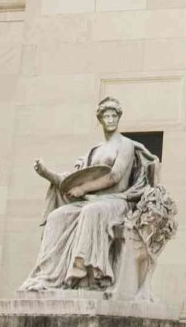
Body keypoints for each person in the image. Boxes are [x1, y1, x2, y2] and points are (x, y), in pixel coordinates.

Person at [20, 96, 167, 296]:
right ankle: (47, 276)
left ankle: (86, 274)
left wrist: (84, 189)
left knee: (92, 212)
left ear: (118, 118)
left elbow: (114, 176)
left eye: (114, 115)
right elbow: (72, 180)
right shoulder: (94, 150)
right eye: (106, 116)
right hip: (91, 200)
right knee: (57, 216)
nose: (110, 119)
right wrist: (45, 172)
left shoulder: (126, 145)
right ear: (100, 119)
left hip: (117, 201)